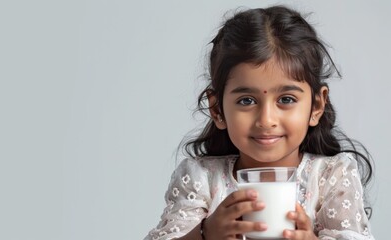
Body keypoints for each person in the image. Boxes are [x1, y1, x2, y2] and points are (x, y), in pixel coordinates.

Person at [144, 5, 375, 240]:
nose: (266, 120)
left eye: (286, 99)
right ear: (217, 109)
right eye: (246, 101)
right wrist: (205, 233)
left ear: (316, 106)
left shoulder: (330, 177)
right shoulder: (201, 178)